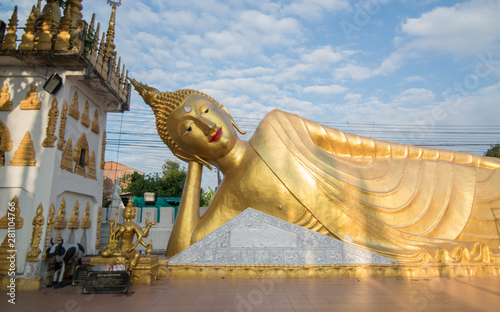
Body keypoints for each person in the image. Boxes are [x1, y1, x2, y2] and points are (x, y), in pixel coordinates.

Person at [130, 79, 500, 263]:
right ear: (184, 147)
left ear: (224, 110)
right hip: (373, 238)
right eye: (188, 129)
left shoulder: (275, 125)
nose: (204, 124)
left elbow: (359, 146)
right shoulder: (232, 197)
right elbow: (181, 253)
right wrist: (192, 169)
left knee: (488, 183)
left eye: (205, 110)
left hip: (399, 180)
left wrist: (460, 160)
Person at [101, 199, 155, 270]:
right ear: (123, 213)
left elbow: (142, 236)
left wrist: (148, 227)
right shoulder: (121, 225)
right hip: (120, 249)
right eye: (126, 212)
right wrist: (112, 226)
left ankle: (130, 270)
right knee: (104, 253)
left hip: (130, 249)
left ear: (133, 214)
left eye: (129, 212)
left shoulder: (133, 225)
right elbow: (112, 236)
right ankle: (116, 267)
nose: (127, 213)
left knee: (137, 255)